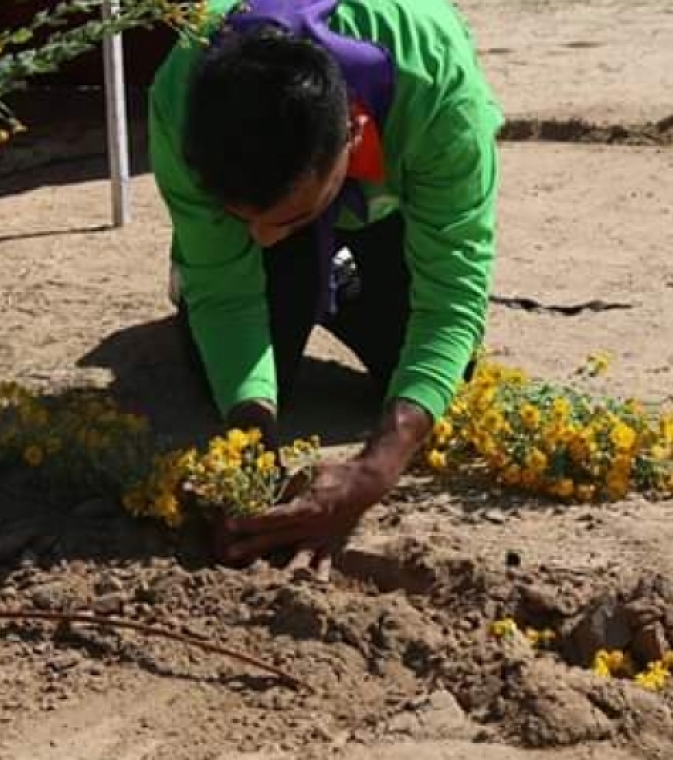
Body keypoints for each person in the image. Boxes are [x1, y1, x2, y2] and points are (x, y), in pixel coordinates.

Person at [148, 0, 503, 575]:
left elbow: (452, 298)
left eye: (283, 220)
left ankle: (331, 265)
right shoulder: (178, 96)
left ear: (353, 134)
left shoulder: (435, 83)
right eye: (242, 220)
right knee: (229, 375)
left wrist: (373, 472)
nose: (259, 239)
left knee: (432, 378)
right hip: (285, 198)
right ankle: (283, 266)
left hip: (389, 211)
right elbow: (226, 291)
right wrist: (252, 449)